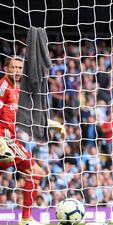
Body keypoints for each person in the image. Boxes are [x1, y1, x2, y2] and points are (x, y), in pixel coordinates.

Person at [0, 56, 66, 225]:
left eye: (20, 68)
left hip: (9, 140)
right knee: (35, 172)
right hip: (5, 140)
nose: (17, 71)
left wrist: (52, 124)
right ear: (5, 68)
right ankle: (26, 218)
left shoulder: (17, 89)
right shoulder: (3, 87)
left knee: (35, 173)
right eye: (13, 67)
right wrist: (1, 143)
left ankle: (26, 218)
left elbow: (28, 117)